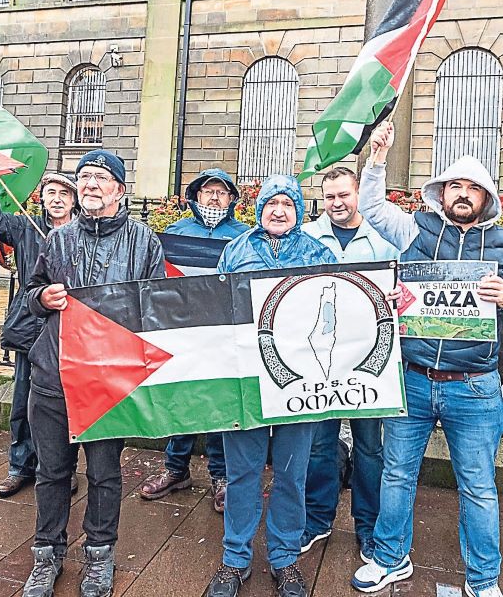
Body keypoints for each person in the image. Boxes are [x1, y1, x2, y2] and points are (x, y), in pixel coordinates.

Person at [350, 124, 503, 597]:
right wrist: (377, 158)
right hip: (414, 376)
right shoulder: (416, 227)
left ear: (487, 198)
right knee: (397, 474)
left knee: (478, 487)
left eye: (473, 188)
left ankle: (483, 579)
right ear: (441, 191)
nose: (463, 194)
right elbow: (372, 208)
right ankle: (389, 557)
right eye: (455, 185)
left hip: (474, 385)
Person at [21, 149, 166, 597]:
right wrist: (43, 297)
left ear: (120, 190)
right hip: (52, 376)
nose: (90, 185)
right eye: (84, 177)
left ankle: (99, 556)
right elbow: (30, 293)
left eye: (102, 178)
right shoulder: (57, 239)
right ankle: (47, 555)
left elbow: (158, 307)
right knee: (51, 472)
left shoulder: (145, 242)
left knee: (104, 473)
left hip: (107, 380)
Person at [205, 175, 337, 597]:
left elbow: (337, 307)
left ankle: (285, 558)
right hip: (248, 381)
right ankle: (235, 559)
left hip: (300, 382)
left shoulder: (318, 252)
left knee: (291, 475)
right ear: (258, 208)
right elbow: (214, 307)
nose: (278, 210)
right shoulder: (236, 250)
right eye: (270, 203)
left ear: (298, 208)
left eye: (287, 203)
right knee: (241, 473)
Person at [299, 166, 398, 559]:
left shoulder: (384, 241)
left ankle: (368, 526)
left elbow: (401, 289)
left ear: (358, 193)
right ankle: (318, 519)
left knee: (370, 448)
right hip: (319, 360)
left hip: (368, 362)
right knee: (319, 445)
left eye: (344, 195)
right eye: (329, 197)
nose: (337, 203)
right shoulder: (307, 237)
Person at [138, 168, 249, 512]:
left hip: (222, 331)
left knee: (218, 405)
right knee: (181, 400)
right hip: (183, 331)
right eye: (208, 192)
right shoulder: (175, 233)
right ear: (195, 197)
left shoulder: (244, 236)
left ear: (231, 200)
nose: (214, 198)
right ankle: (176, 468)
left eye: (221, 192)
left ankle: (221, 475)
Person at [0, 171, 79, 498]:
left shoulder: (82, 233)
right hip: (32, 326)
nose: (57, 199)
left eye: (64, 193)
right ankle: (20, 466)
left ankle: (63, 467)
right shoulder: (25, 228)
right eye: (50, 192)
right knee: (23, 401)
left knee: (66, 405)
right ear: (41, 198)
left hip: (70, 331)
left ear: (74, 200)